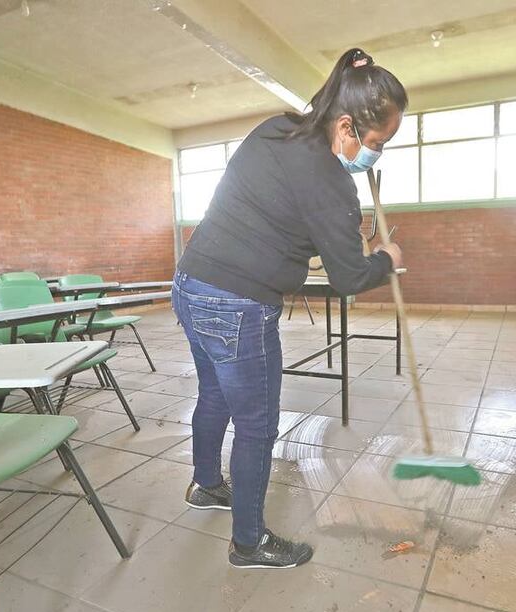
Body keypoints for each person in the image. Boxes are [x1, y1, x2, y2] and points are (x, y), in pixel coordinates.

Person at [172, 48, 407, 569]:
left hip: (190, 283)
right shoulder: (331, 182)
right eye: (375, 143)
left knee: (214, 394)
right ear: (346, 125)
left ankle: (206, 485)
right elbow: (348, 277)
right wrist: (387, 259)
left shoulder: (276, 129)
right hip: (237, 304)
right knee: (256, 426)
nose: (376, 155)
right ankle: (249, 542)